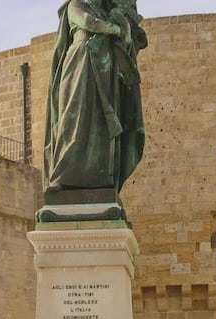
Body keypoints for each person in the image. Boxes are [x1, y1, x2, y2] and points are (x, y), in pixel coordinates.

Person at [45, 0, 147, 204]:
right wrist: (114, 29)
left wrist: (124, 28)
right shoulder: (75, 4)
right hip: (80, 64)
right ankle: (64, 175)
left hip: (105, 70)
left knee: (101, 126)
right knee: (73, 121)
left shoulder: (110, 11)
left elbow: (129, 41)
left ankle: (99, 177)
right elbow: (88, 22)